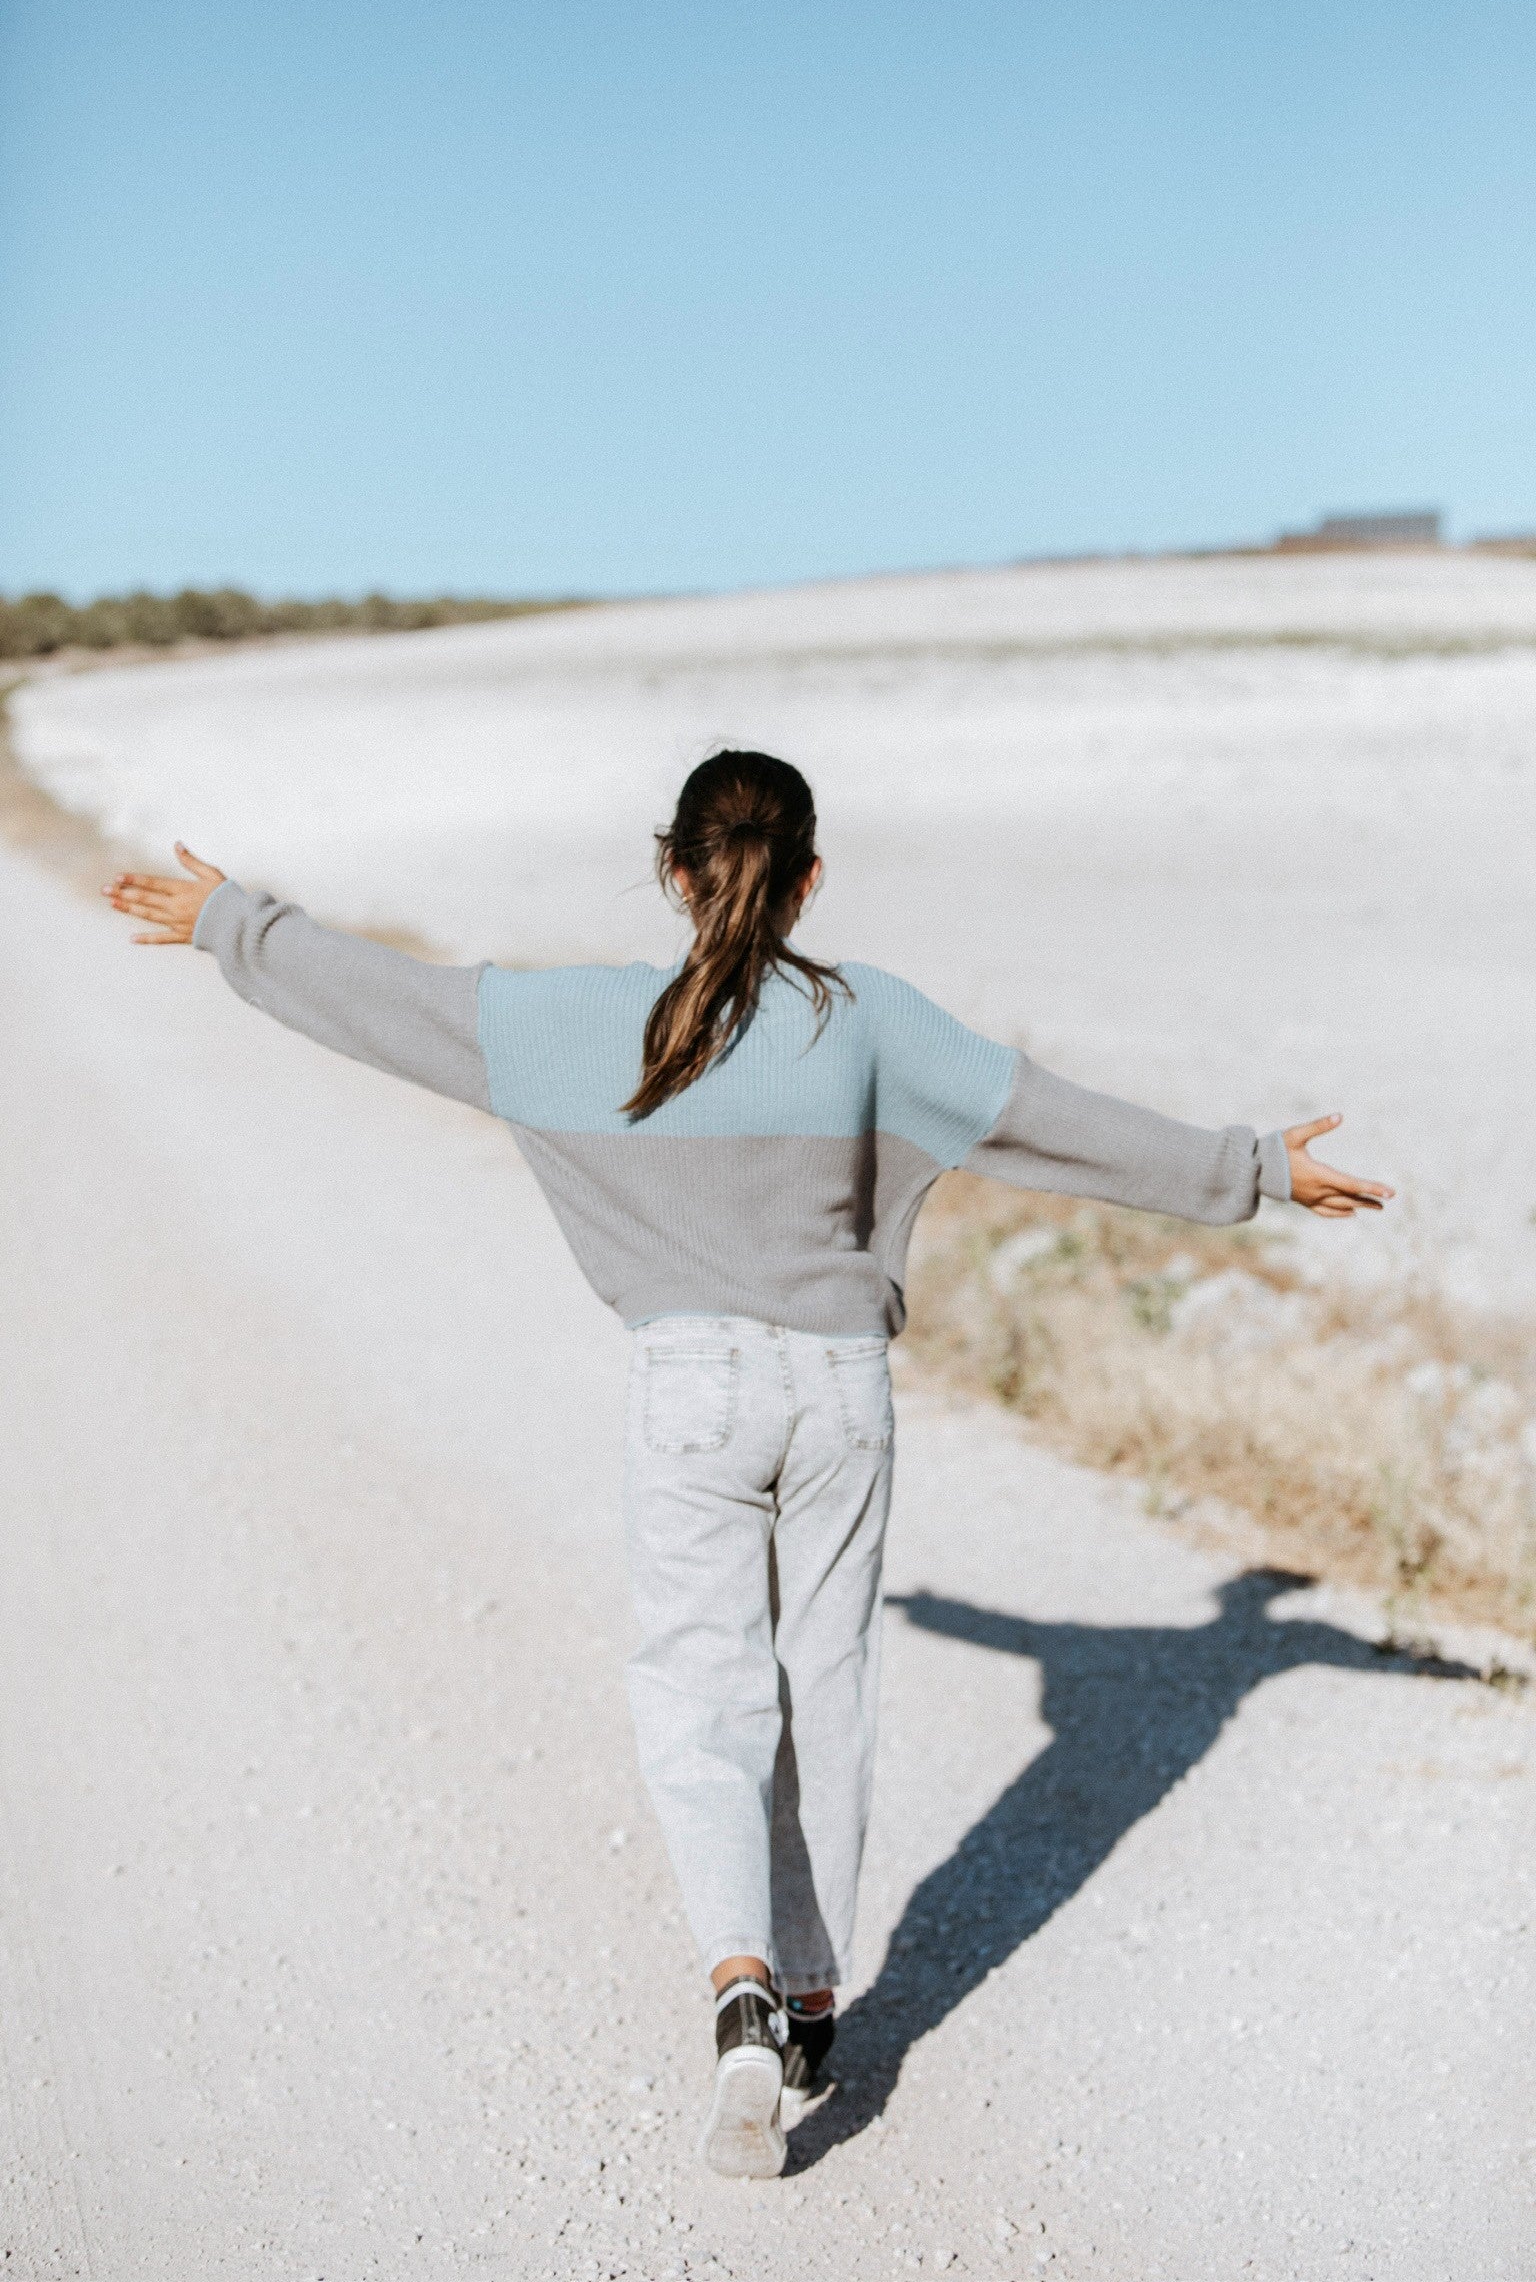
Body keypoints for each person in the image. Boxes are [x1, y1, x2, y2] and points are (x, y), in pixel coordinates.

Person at [106, 746, 1392, 2179]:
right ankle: (817, 1992)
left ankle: (739, 1984)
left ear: (674, 870)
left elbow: (386, 1002)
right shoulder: (872, 1023)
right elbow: (1053, 1119)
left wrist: (232, 919)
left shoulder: (577, 1021)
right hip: (839, 1390)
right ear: (812, 879)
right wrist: (1253, 1169)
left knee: (700, 1685)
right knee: (822, 1684)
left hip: (690, 1392)